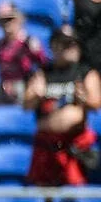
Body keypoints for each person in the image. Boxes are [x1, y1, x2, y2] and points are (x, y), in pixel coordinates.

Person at [25, 26, 101, 188]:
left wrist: (84, 99)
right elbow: (26, 105)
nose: (69, 49)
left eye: (72, 44)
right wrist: (35, 95)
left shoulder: (85, 72)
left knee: (74, 197)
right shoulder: (43, 72)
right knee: (44, 195)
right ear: (53, 46)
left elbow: (96, 103)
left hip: (73, 146)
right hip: (47, 147)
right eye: (64, 44)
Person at [0, 0, 46, 105]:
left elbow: (42, 62)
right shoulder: (0, 44)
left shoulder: (28, 42)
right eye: (2, 21)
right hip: (4, 86)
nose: (6, 24)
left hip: (22, 86)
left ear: (19, 19)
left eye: (9, 19)